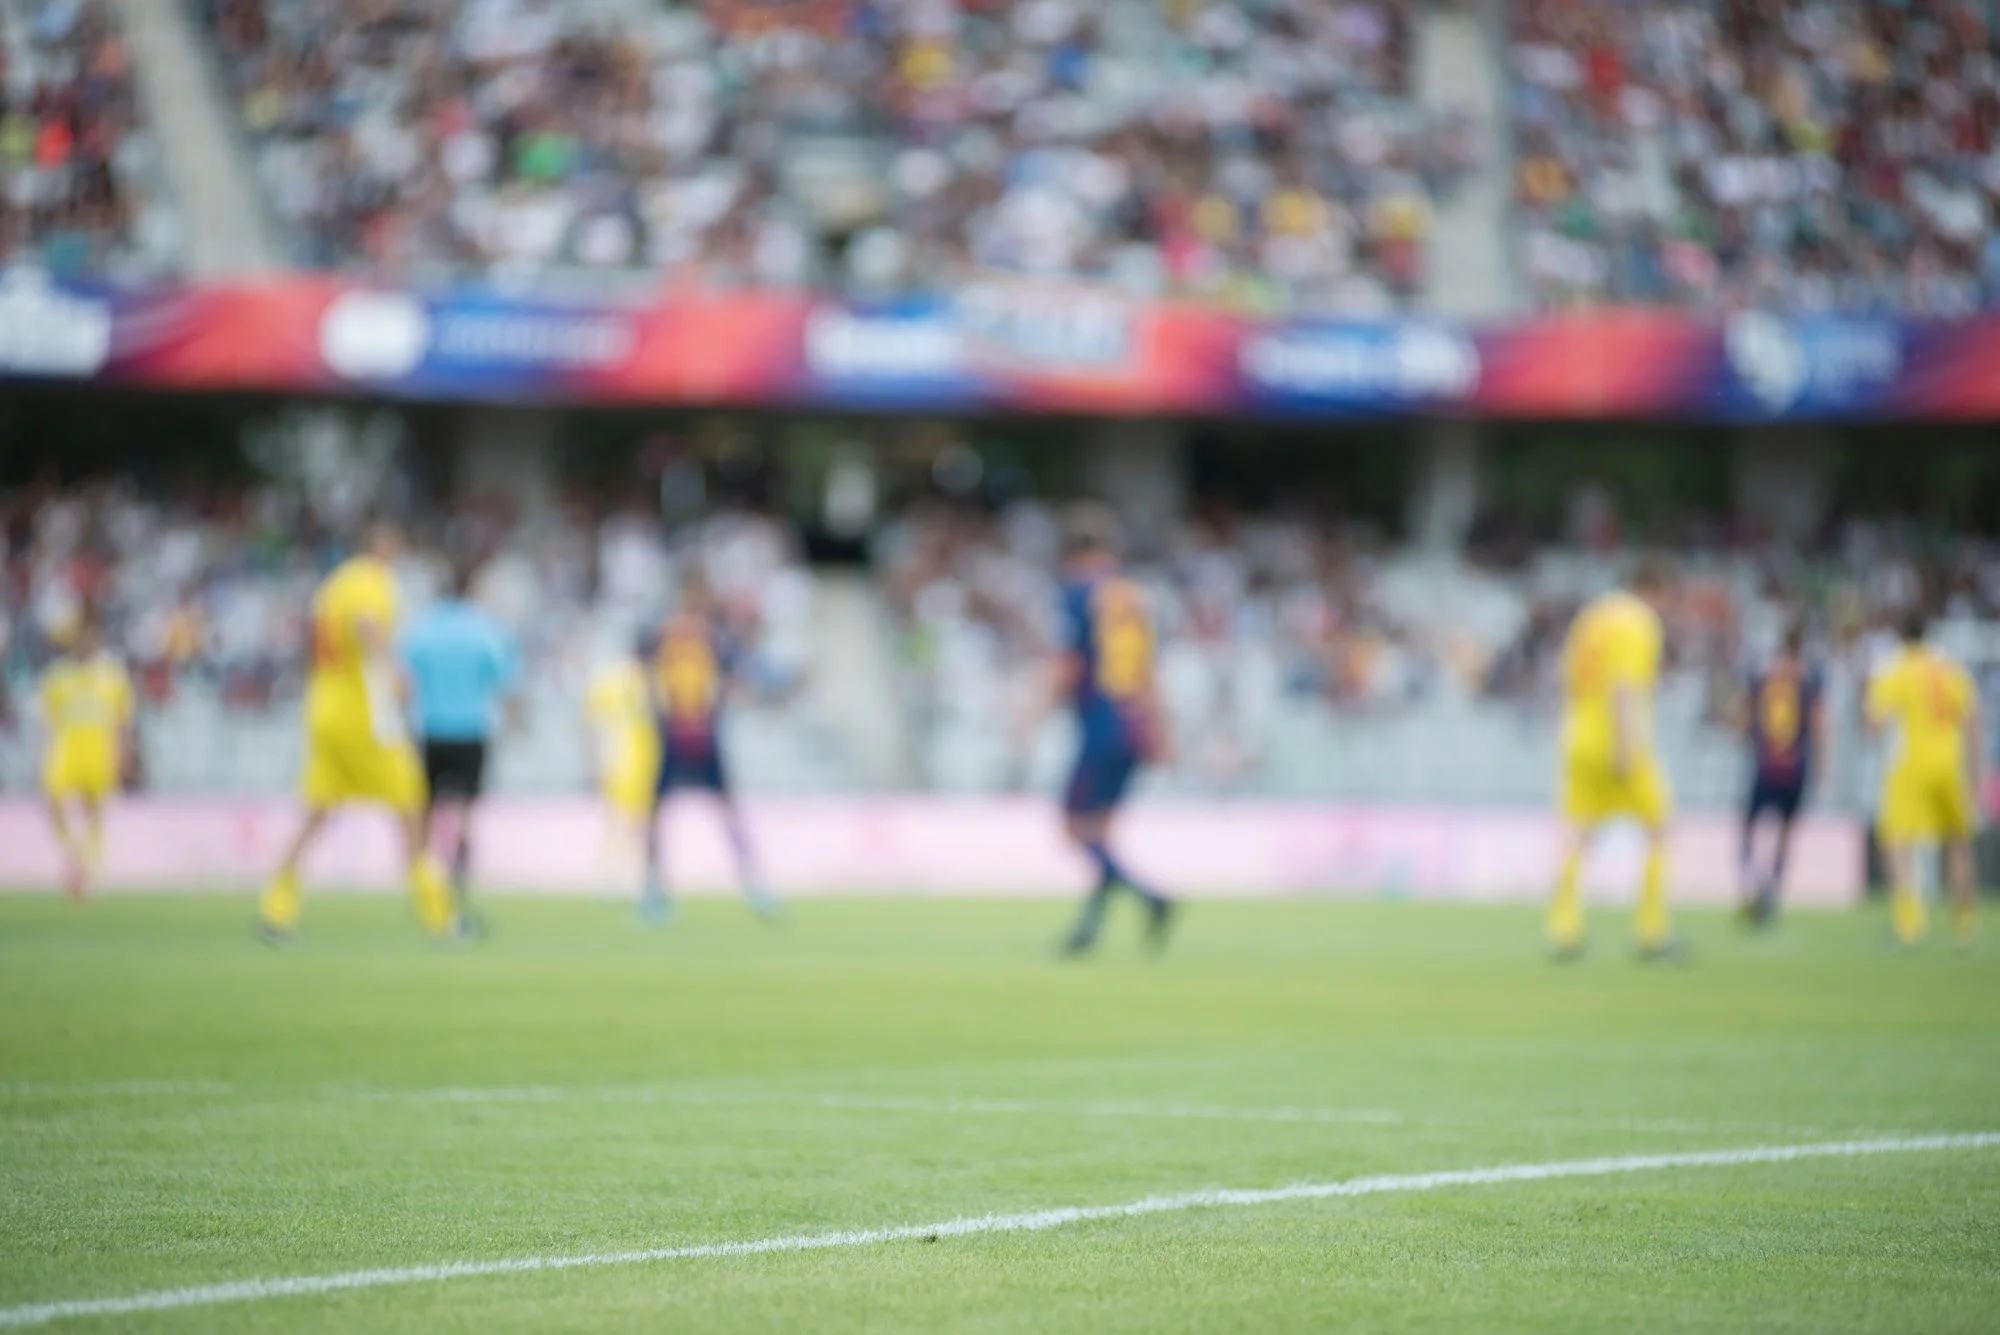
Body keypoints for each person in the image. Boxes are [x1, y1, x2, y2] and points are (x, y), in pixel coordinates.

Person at [257, 516, 456, 942]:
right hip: (364, 718)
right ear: (382, 545)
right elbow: (368, 626)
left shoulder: (333, 586)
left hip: (323, 709)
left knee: (318, 813)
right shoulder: (371, 580)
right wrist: (395, 671)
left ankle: (276, 907)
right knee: (410, 807)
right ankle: (439, 915)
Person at [1039, 505, 1175, 956]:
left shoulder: (1079, 595)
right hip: (1134, 724)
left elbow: (1069, 662)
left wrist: (1032, 712)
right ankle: (1087, 931)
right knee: (1100, 833)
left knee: (1075, 829)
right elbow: (1150, 671)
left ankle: (1150, 896)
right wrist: (1160, 730)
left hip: (1102, 723)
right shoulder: (1134, 597)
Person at [1547, 557, 1680, 961]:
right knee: (1659, 827)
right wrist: (1626, 744)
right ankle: (1652, 933)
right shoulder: (1638, 622)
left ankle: (1564, 929)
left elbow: (1567, 677)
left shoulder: (1591, 617)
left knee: (1577, 833)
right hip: (1617, 739)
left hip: (1577, 736)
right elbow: (1625, 684)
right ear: (1654, 590)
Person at [639, 573, 777, 925]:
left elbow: (731, 675)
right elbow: (647, 674)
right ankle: (655, 891)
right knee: (658, 812)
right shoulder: (664, 635)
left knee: (725, 809)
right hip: (675, 731)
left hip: (704, 731)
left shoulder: (713, 638)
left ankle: (754, 885)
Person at [400, 557, 519, 930]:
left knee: (423, 814)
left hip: (429, 729)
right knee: (465, 816)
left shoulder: (421, 627)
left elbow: (402, 681)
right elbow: (504, 680)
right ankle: (458, 894)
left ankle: (427, 895)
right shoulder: (485, 629)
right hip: (471, 730)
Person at [1866, 609, 1985, 947]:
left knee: (1897, 839)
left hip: (1910, 763)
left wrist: (1873, 728)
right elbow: (1973, 718)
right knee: (1958, 841)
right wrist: (1976, 771)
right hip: (1951, 763)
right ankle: (1965, 921)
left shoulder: (1897, 668)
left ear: (1902, 637)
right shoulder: (1950, 670)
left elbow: (1875, 721)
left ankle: (1909, 921)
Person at [1736, 622, 1826, 926]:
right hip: (1796, 765)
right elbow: (1817, 723)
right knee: (1786, 830)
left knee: (1749, 826)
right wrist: (1823, 765)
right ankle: (1772, 889)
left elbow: (1746, 716)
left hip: (1765, 763)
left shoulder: (1764, 675)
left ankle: (1751, 882)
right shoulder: (1808, 677)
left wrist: (1744, 734)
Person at [39, 611, 134, 898]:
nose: (86, 643)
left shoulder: (112, 676)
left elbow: (121, 722)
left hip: (99, 750)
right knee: (53, 800)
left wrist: (123, 754)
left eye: (91, 638)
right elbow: (49, 723)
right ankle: (73, 853)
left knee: (95, 810)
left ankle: (91, 868)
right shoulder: (58, 678)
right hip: (66, 750)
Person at [584, 635, 660, 880]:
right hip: (639, 755)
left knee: (616, 819)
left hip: (614, 754)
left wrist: (592, 759)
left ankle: (612, 870)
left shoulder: (609, 678)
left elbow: (591, 720)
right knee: (639, 820)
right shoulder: (648, 680)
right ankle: (633, 871)